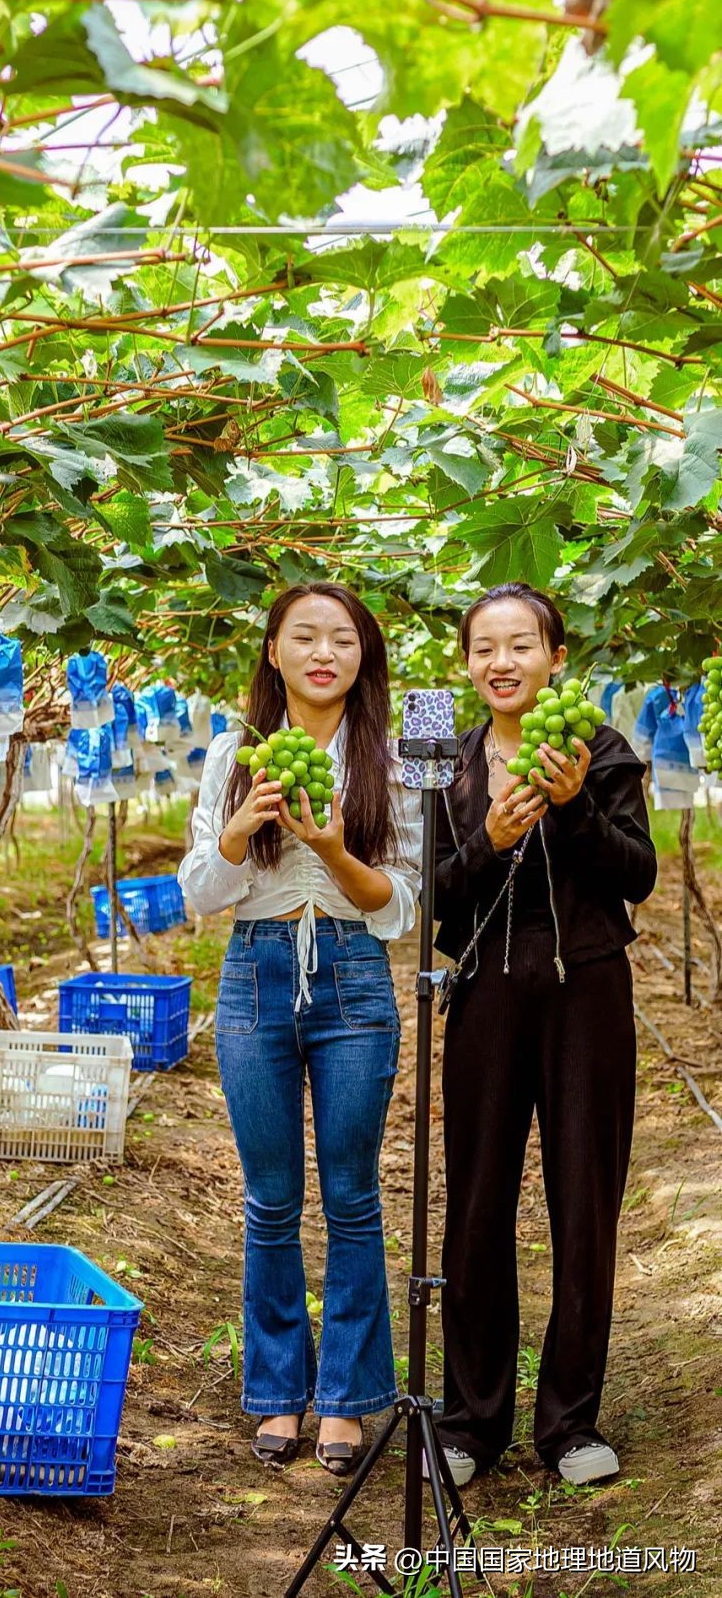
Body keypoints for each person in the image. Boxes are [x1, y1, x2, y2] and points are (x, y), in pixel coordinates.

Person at [177, 583, 422, 1475]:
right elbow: (200, 892)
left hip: (353, 975)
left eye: (344, 639)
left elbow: (400, 903)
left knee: (353, 1196)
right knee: (271, 1198)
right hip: (254, 975)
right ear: (273, 650)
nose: (325, 652)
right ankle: (279, 1390)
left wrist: (328, 848)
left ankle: (349, 1399)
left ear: (365, 657)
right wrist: (241, 829)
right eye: (305, 636)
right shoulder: (235, 751)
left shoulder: (390, 759)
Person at [428, 582, 657, 1491]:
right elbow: (424, 896)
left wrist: (572, 807)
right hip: (483, 989)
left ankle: (569, 1422)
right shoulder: (434, 741)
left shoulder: (599, 744)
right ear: (466, 662)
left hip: (586, 991)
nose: (502, 663)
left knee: (584, 1200)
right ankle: (469, 1422)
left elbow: (635, 876)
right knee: (476, 1202)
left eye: (521, 645)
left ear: (556, 657)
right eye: (484, 647)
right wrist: (484, 837)